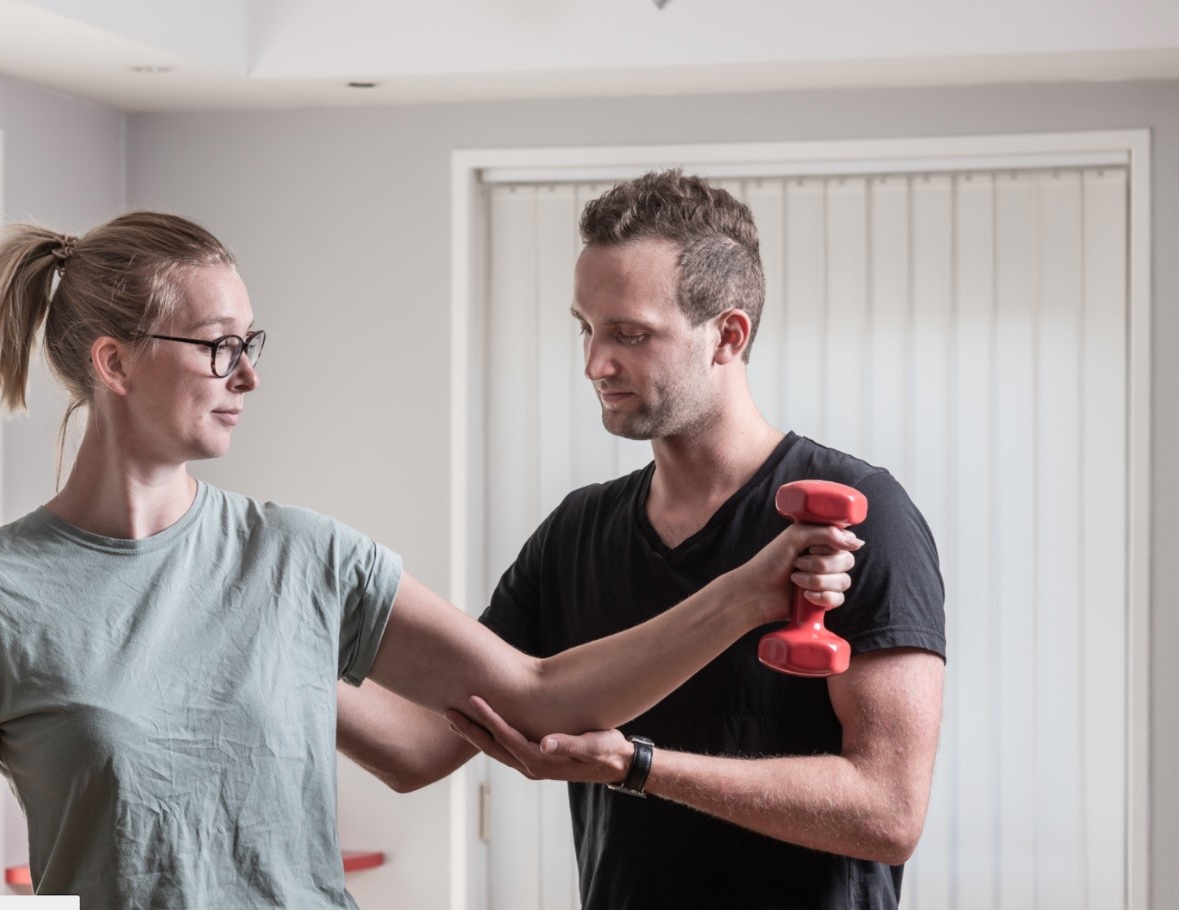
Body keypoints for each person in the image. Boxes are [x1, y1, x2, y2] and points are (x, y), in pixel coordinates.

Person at [0, 211, 860, 907]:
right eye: (221, 347)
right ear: (114, 364)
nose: (251, 374)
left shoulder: (300, 558)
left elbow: (532, 691)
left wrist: (744, 595)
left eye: (252, 343)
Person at [337, 170, 946, 909]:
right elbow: (418, 747)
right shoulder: (574, 534)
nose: (595, 363)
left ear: (727, 335)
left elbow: (887, 813)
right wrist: (267, 658)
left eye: (629, 334)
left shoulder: (852, 518)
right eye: (585, 329)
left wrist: (640, 767)